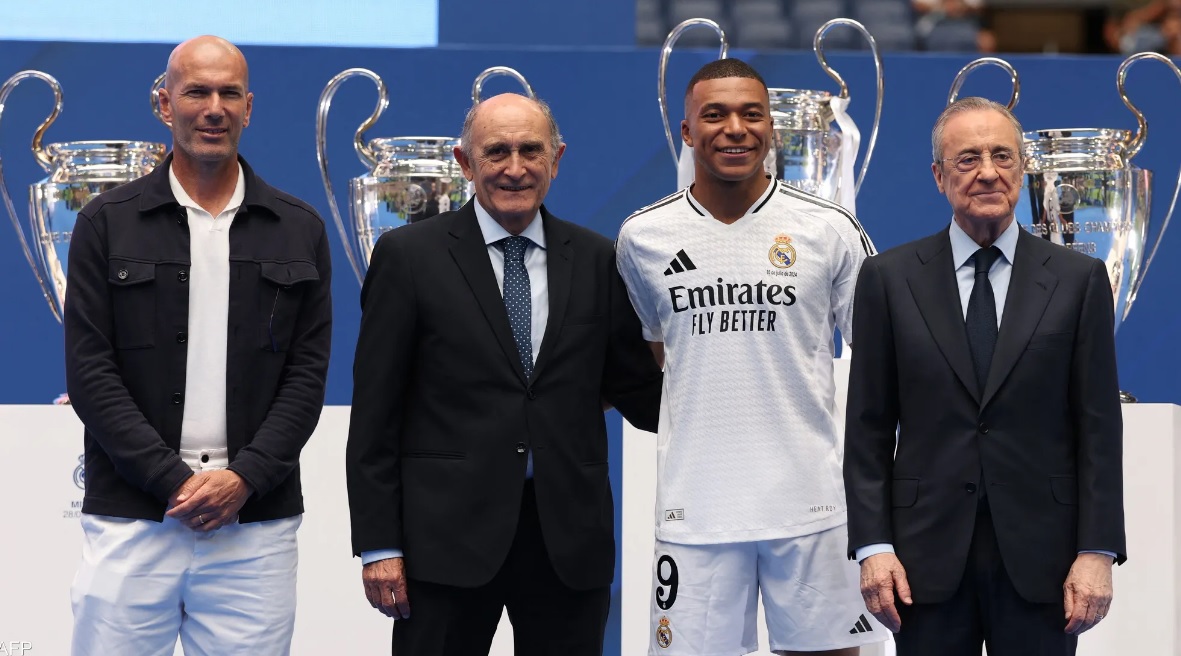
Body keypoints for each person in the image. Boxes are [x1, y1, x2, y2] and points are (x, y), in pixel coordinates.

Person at [346, 92, 663, 655]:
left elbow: (640, 394)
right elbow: (376, 414)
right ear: (465, 163)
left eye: (530, 150)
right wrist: (379, 546)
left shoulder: (598, 259)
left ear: (556, 159)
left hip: (568, 544)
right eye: (496, 152)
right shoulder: (408, 257)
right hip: (443, 545)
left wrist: (713, 346)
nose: (515, 168)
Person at [62, 36, 332, 655]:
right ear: (164, 104)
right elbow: (90, 373)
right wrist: (172, 482)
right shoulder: (105, 222)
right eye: (196, 92)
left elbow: (306, 377)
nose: (214, 108)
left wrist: (243, 479)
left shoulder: (299, 230)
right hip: (133, 519)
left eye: (229, 93)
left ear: (249, 108)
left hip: (254, 530)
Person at [616, 58, 882, 656]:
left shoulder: (830, 229)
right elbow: (655, 351)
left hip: (813, 508)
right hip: (696, 514)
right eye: (715, 115)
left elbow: (880, 356)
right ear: (687, 132)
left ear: (771, 128)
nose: (735, 128)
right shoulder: (642, 237)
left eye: (751, 114)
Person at [844, 97, 1125, 654]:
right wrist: (873, 547)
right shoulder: (887, 279)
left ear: (1023, 169)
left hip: (1044, 559)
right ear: (938, 175)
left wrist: (1098, 551)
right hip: (921, 561)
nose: (988, 172)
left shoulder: (1080, 280)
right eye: (968, 158)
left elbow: (1098, 429)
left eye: (1002, 156)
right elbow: (868, 429)